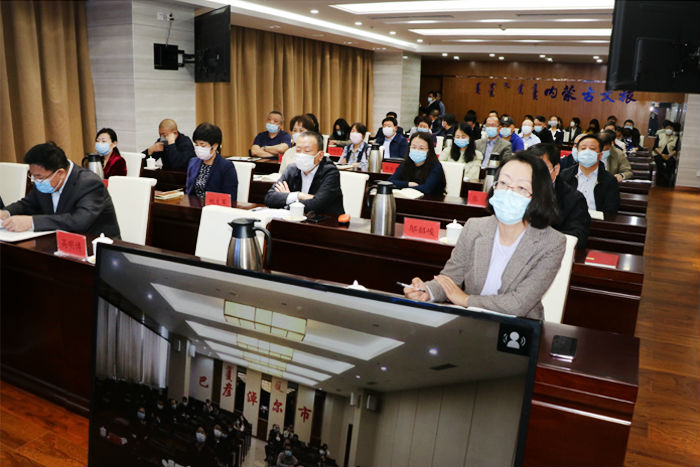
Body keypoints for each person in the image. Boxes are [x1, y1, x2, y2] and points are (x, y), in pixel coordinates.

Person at [403, 151, 565, 320]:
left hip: (518, 327)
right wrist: (426, 291)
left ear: (538, 196)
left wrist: (466, 300)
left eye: (522, 188)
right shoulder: (474, 227)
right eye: (503, 183)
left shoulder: (552, 243)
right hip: (471, 323)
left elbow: (518, 304)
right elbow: (450, 278)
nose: (509, 192)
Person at [1, 142, 121, 237]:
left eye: (38, 176)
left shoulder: (89, 183)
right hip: (56, 243)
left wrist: (31, 222)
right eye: (32, 176)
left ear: (60, 173)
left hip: (96, 248)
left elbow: (79, 221)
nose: (35, 180)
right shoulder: (44, 180)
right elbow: (27, 204)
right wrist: (6, 213)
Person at [265, 132, 344, 215]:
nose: (301, 155)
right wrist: (298, 195)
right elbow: (269, 198)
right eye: (298, 150)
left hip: (327, 220)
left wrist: (287, 200)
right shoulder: (292, 169)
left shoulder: (330, 172)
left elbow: (317, 204)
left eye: (307, 151)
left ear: (320, 155)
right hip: (296, 219)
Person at [529, 143, 590, 248]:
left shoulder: (574, 199)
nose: (535, 173)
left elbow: (577, 237)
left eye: (541, 168)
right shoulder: (517, 191)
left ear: (556, 169)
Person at [560, 134, 620, 215]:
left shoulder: (610, 180)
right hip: (569, 220)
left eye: (592, 149)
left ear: (600, 155)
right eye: (583, 148)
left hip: (597, 221)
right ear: (577, 153)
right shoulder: (565, 175)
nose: (587, 152)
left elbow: (611, 210)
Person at [185, 123, 238, 200]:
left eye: (202, 145)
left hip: (215, 206)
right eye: (196, 145)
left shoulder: (226, 166)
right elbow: (188, 191)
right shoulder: (193, 162)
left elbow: (230, 197)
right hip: (194, 205)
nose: (199, 148)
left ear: (215, 146)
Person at [653, 120, 679, 187]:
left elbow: (676, 149)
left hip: (670, 155)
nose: (669, 129)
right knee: (659, 162)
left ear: (673, 129)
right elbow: (655, 147)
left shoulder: (676, 138)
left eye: (671, 128)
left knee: (671, 163)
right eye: (667, 128)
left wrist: (669, 156)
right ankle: (662, 178)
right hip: (659, 154)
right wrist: (662, 154)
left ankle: (667, 180)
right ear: (665, 129)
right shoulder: (660, 136)